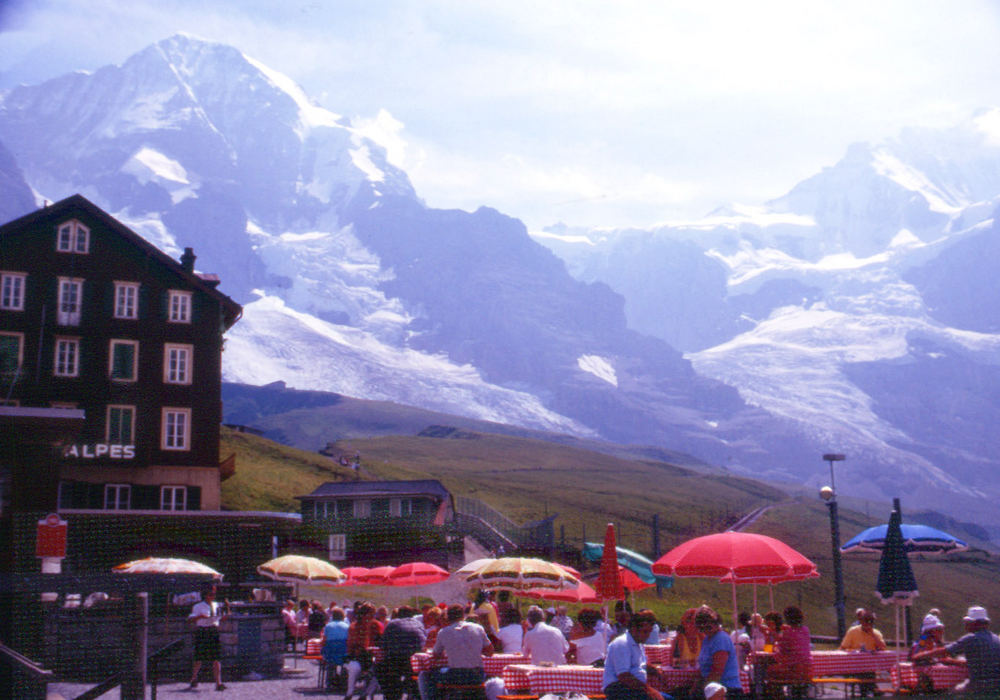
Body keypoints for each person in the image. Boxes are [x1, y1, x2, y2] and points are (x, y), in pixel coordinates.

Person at [913, 605, 1000, 695]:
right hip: (996, 685)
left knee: (950, 693)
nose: (941, 631)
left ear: (974, 623)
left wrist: (921, 655)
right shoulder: (996, 639)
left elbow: (944, 652)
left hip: (980, 685)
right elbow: (920, 648)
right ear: (930, 630)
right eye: (937, 629)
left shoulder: (970, 638)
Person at [418, 604, 494, 700]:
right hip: (477, 675)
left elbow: (435, 656)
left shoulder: (444, 632)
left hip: (456, 675)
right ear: (463, 615)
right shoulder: (478, 628)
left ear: (448, 617)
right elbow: (490, 652)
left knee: (425, 675)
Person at [601, 609, 665, 700]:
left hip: (633, 689)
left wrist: (655, 671)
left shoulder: (638, 643)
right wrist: (649, 690)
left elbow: (639, 664)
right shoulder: (622, 643)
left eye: (649, 632)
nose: (647, 636)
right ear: (634, 629)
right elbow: (623, 676)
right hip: (618, 689)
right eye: (645, 632)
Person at [692, 606, 743, 699]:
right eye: (702, 626)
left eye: (708, 625)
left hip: (726, 689)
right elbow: (703, 667)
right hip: (711, 686)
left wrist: (701, 691)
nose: (706, 629)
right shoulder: (707, 639)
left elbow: (717, 671)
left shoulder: (721, 639)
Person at [376, 605, 427, 700]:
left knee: (380, 668)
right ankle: (412, 691)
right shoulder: (419, 624)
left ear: (398, 614)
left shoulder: (392, 624)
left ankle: (393, 694)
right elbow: (424, 644)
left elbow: (383, 645)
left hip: (397, 660)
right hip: (415, 662)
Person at [188, 585, 228, 691]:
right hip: (203, 630)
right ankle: (193, 678)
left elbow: (220, 617)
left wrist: (226, 612)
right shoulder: (198, 606)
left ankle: (218, 683)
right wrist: (200, 617)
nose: (212, 597)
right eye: (210, 594)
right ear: (205, 595)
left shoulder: (216, 605)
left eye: (214, 594)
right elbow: (191, 618)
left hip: (213, 630)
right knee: (199, 657)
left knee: (216, 657)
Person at [766, 606, 812, 697]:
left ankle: (777, 696)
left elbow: (781, 650)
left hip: (793, 670)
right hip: (807, 670)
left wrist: (772, 632)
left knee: (768, 671)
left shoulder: (788, 632)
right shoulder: (805, 630)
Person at [345, 602, 382, 699]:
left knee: (380, 669)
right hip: (357, 656)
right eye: (370, 614)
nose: (372, 616)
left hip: (371, 656)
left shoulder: (377, 625)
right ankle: (349, 693)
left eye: (373, 614)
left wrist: (374, 649)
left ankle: (365, 694)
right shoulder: (354, 626)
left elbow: (382, 642)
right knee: (355, 667)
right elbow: (351, 645)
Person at [321, 607, 351, 689]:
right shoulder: (347, 627)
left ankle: (329, 681)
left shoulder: (328, 626)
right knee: (345, 663)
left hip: (331, 654)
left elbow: (324, 641)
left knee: (330, 662)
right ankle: (344, 681)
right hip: (343, 654)